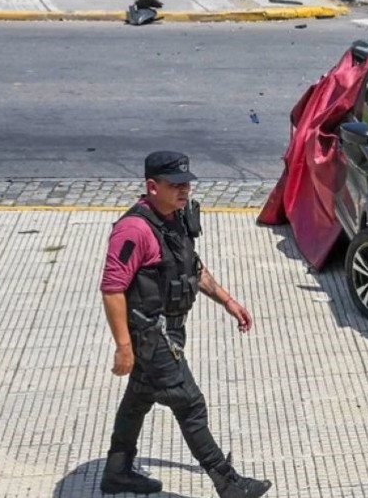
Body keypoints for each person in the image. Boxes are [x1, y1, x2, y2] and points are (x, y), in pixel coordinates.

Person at [98, 152, 271, 498]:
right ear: (152, 186)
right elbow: (112, 289)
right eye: (175, 185)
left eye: (187, 184)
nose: (184, 191)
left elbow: (192, 268)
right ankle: (228, 482)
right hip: (151, 334)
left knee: (139, 397)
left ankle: (117, 471)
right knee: (188, 402)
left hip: (170, 329)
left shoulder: (174, 218)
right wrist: (124, 347)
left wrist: (228, 301)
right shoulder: (134, 230)